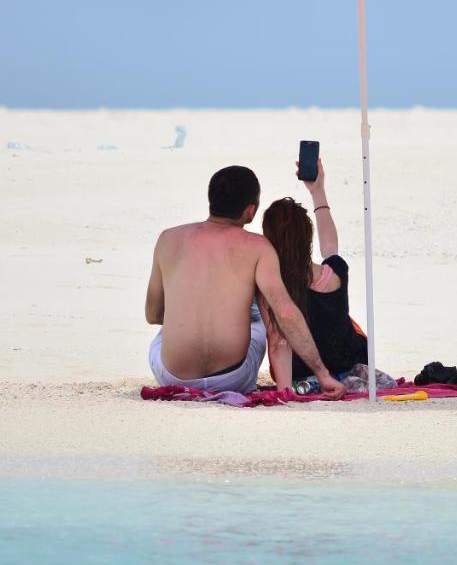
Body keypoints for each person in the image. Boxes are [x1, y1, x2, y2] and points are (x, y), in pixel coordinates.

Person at [144, 165, 345, 398]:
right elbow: (285, 314)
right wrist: (322, 373)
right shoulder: (258, 247)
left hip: (173, 375)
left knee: (165, 331)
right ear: (251, 210)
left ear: (211, 200)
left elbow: (154, 315)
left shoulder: (168, 239)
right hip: (233, 378)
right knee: (258, 317)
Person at [259, 156, 368, 391]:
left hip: (298, 371)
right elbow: (330, 247)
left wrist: (285, 392)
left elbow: (279, 342)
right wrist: (318, 191)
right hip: (349, 361)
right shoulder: (334, 272)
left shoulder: (271, 285)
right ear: (308, 238)